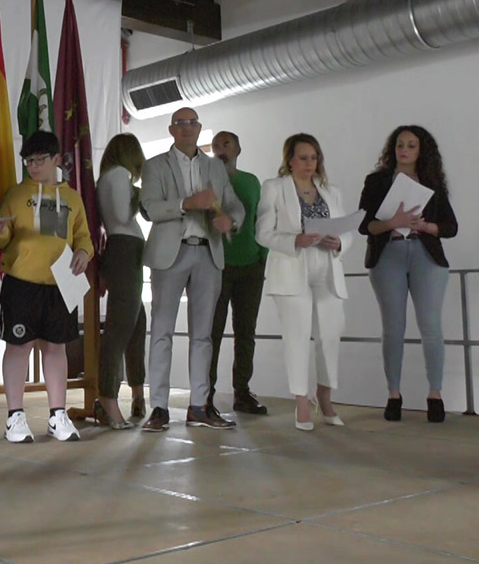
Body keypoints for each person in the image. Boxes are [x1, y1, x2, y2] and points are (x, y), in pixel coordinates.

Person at [139, 108, 243, 433]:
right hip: (170, 254)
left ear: (200, 129)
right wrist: (187, 203)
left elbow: (234, 204)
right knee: (162, 332)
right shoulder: (155, 164)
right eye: (180, 123)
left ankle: (199, 405)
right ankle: (158, 407)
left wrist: (232, 220)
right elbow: (150, 208)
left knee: (203, 335)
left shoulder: (215, 167)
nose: (187, 128)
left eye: (192, 123)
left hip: (208, 253)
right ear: (171, 130)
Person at [0, 131, 93, 444]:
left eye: (39, 160)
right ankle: (14, 416)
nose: (33, 166)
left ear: (56, 160)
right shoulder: (16, 194)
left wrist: (83, 253)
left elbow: (83, 237)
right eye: (28, 161)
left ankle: (57, 414)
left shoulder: (72, 198)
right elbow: (0, 239)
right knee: (19, 346)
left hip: (61, 283)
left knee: (56, 346)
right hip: (21, 282)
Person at [358, 125, 458, 423]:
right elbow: (365, 225)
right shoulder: (376, 181)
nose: (404, 150)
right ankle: (393, 395)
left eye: (411, 145)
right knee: (393, 327)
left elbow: (451, 227)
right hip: (389, 253)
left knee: (431, 326)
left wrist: (425, 226)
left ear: (421, 150)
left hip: (425, 254)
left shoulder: (432, 182)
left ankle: (435, 395)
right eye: (400, 144)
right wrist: (393, 222)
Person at [256, 134, 351, 432]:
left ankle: (325, 395)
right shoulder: (274, 188)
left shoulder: (331, 191)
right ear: (290, 160)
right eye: (303, 157)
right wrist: (295, 239)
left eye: (314, 158)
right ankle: (300, 400)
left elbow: (347, 231)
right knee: (297, 337)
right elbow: (263, 233)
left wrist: (339, 242)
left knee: (330, 335)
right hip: (291, 268)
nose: (309, 163)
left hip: (327, 269)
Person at [208, 131, 269, 416]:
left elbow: (259, 219)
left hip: (250, 267)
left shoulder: (251, 181)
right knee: (213, 333)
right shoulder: (207, 182)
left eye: (226, 144)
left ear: (238, 149)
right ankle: (205, 393)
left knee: (246, 333)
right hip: (217, 267)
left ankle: (241, 392)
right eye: (217, 145)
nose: (221, 149)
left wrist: (262, 257)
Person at [94, 134, 148, 429]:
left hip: (128, 250)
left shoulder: (115, 176)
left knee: (137, 322)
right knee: (119, 327)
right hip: (124, 249)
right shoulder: (116, 175)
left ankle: (137, 392)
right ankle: (108, 399)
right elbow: (122, 215)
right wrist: (141, 196)